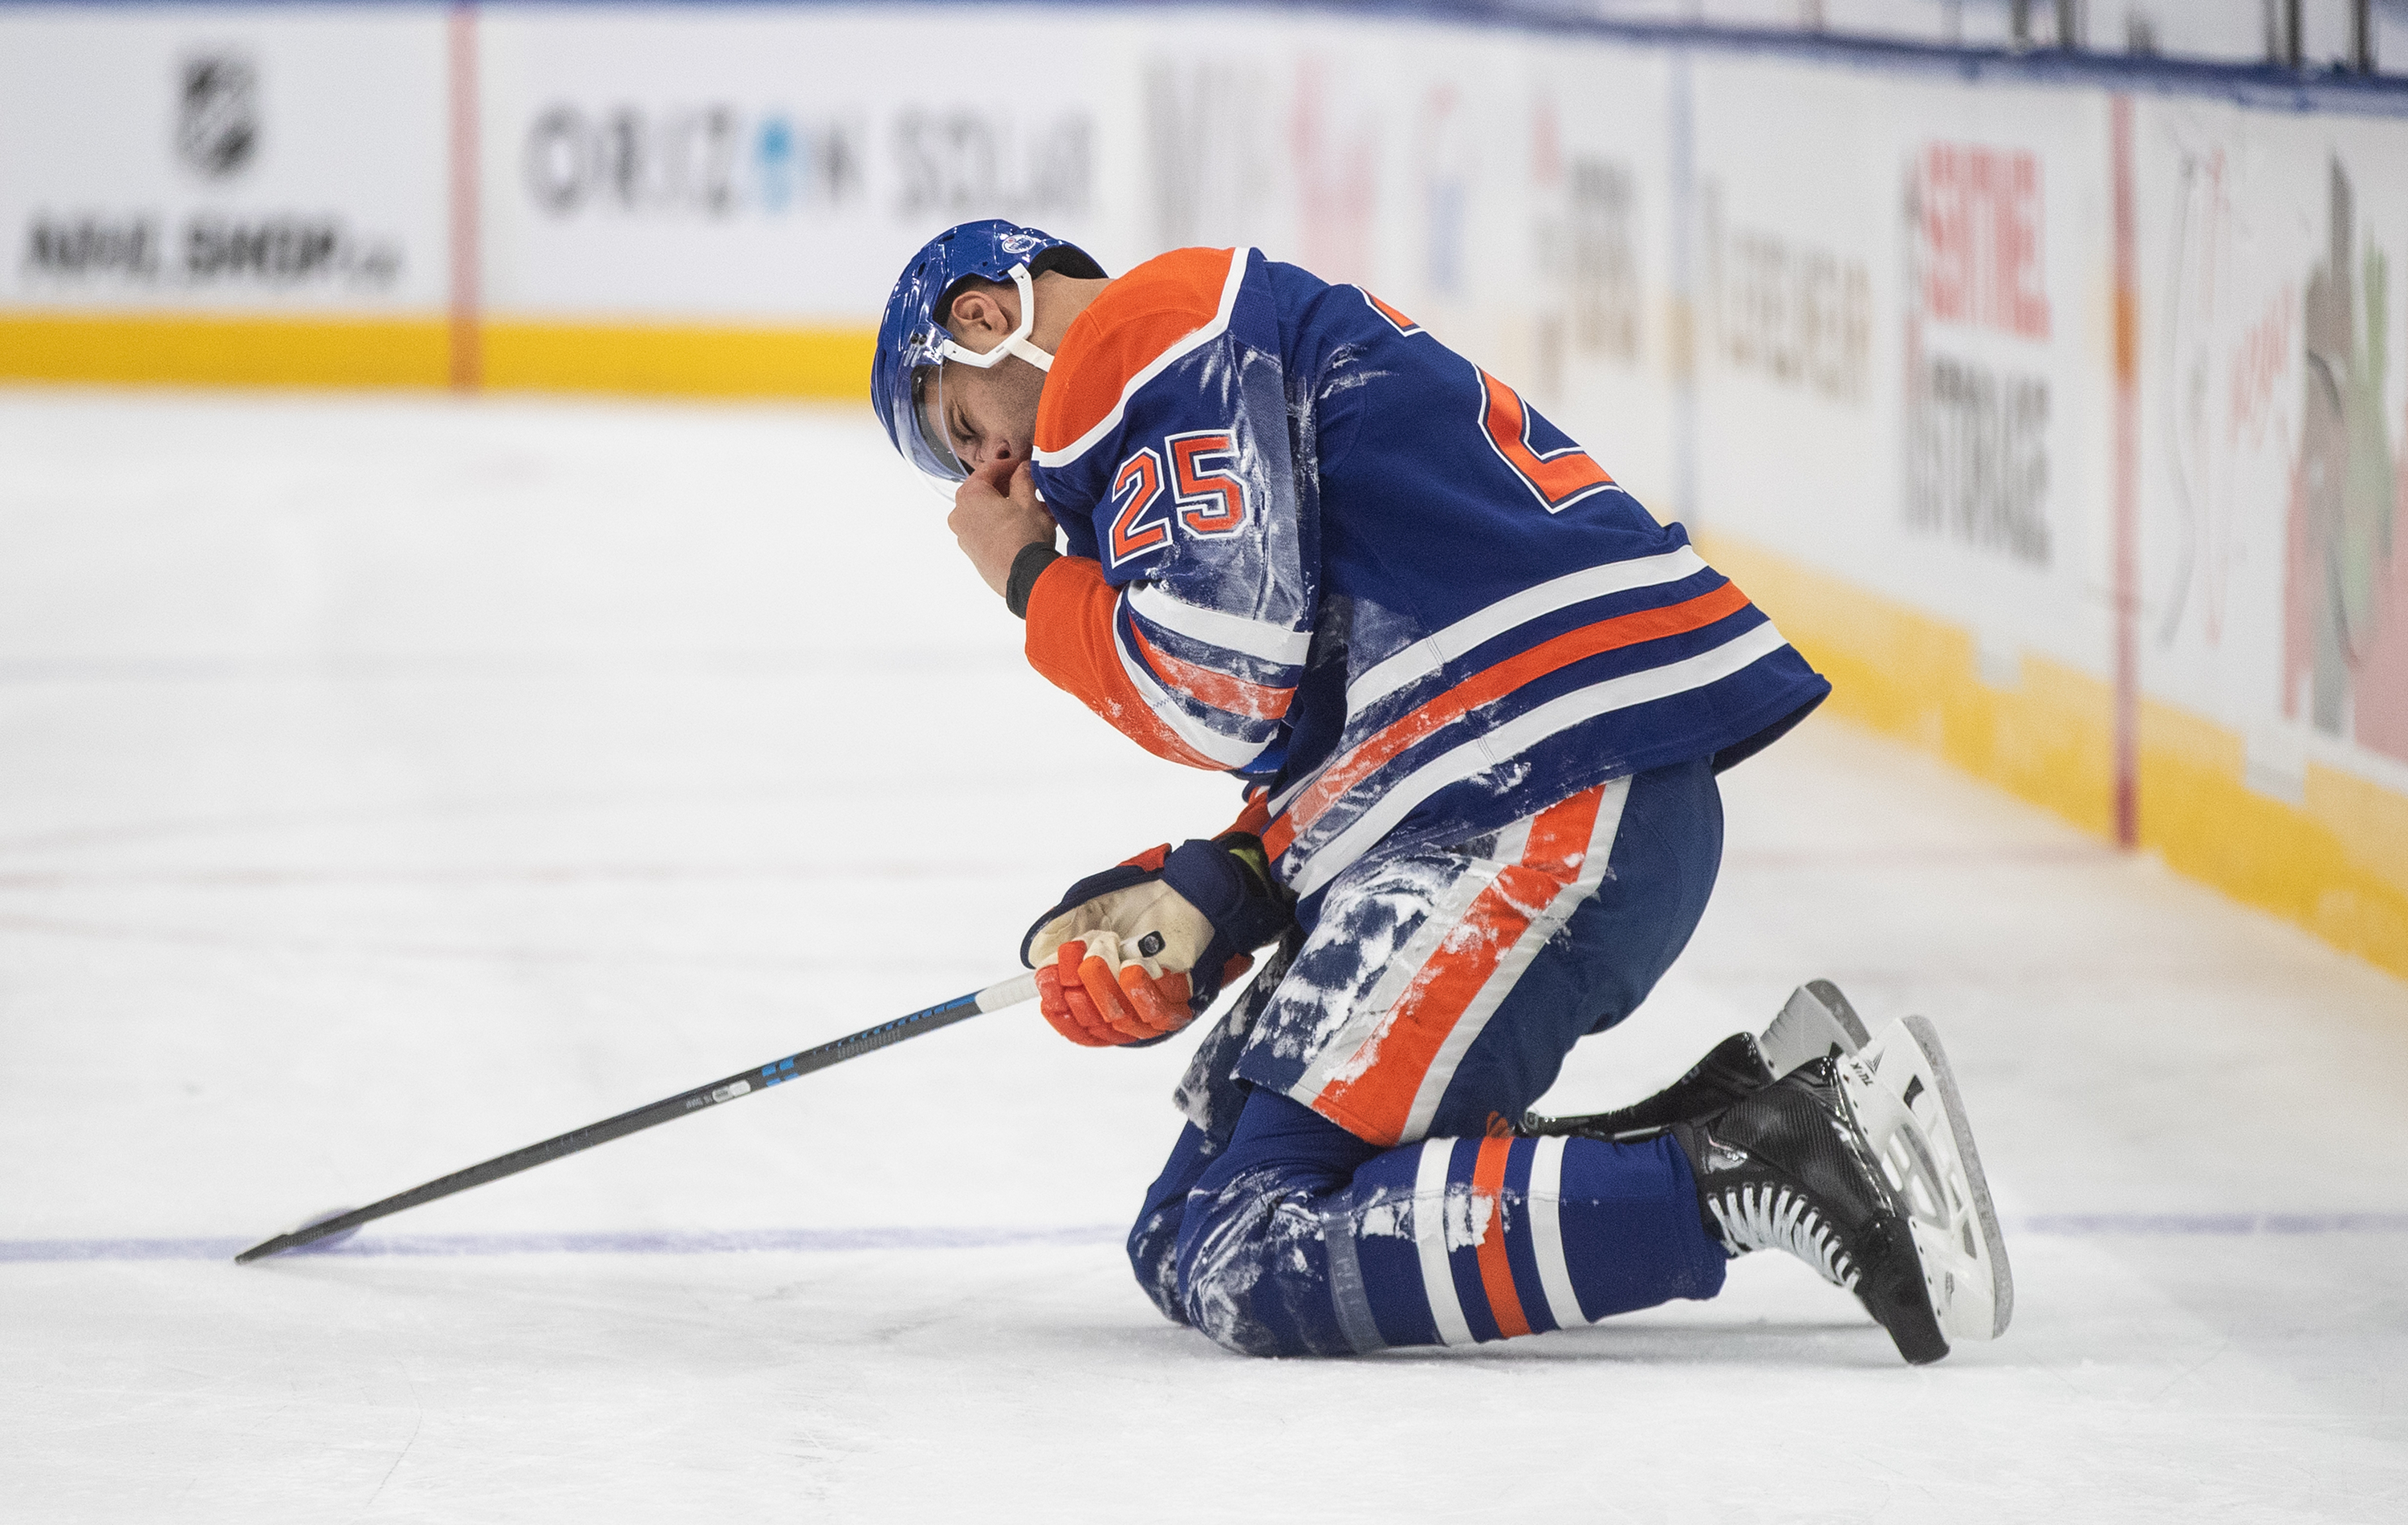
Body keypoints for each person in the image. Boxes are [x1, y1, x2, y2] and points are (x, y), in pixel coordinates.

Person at [870, 219, 2011, 1363]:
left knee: (1251, 1242)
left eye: (964, 426)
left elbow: (1220, 693)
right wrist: (1223, 887)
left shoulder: (1133, 346)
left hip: (1550, 793)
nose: (985, 468)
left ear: (985, 317)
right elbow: (1338, 709)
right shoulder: (1189, 365)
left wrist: (1028, 576)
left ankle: (1767, 1160)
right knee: (1185, 1227)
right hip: (1499, 786)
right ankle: (1733, 1121)